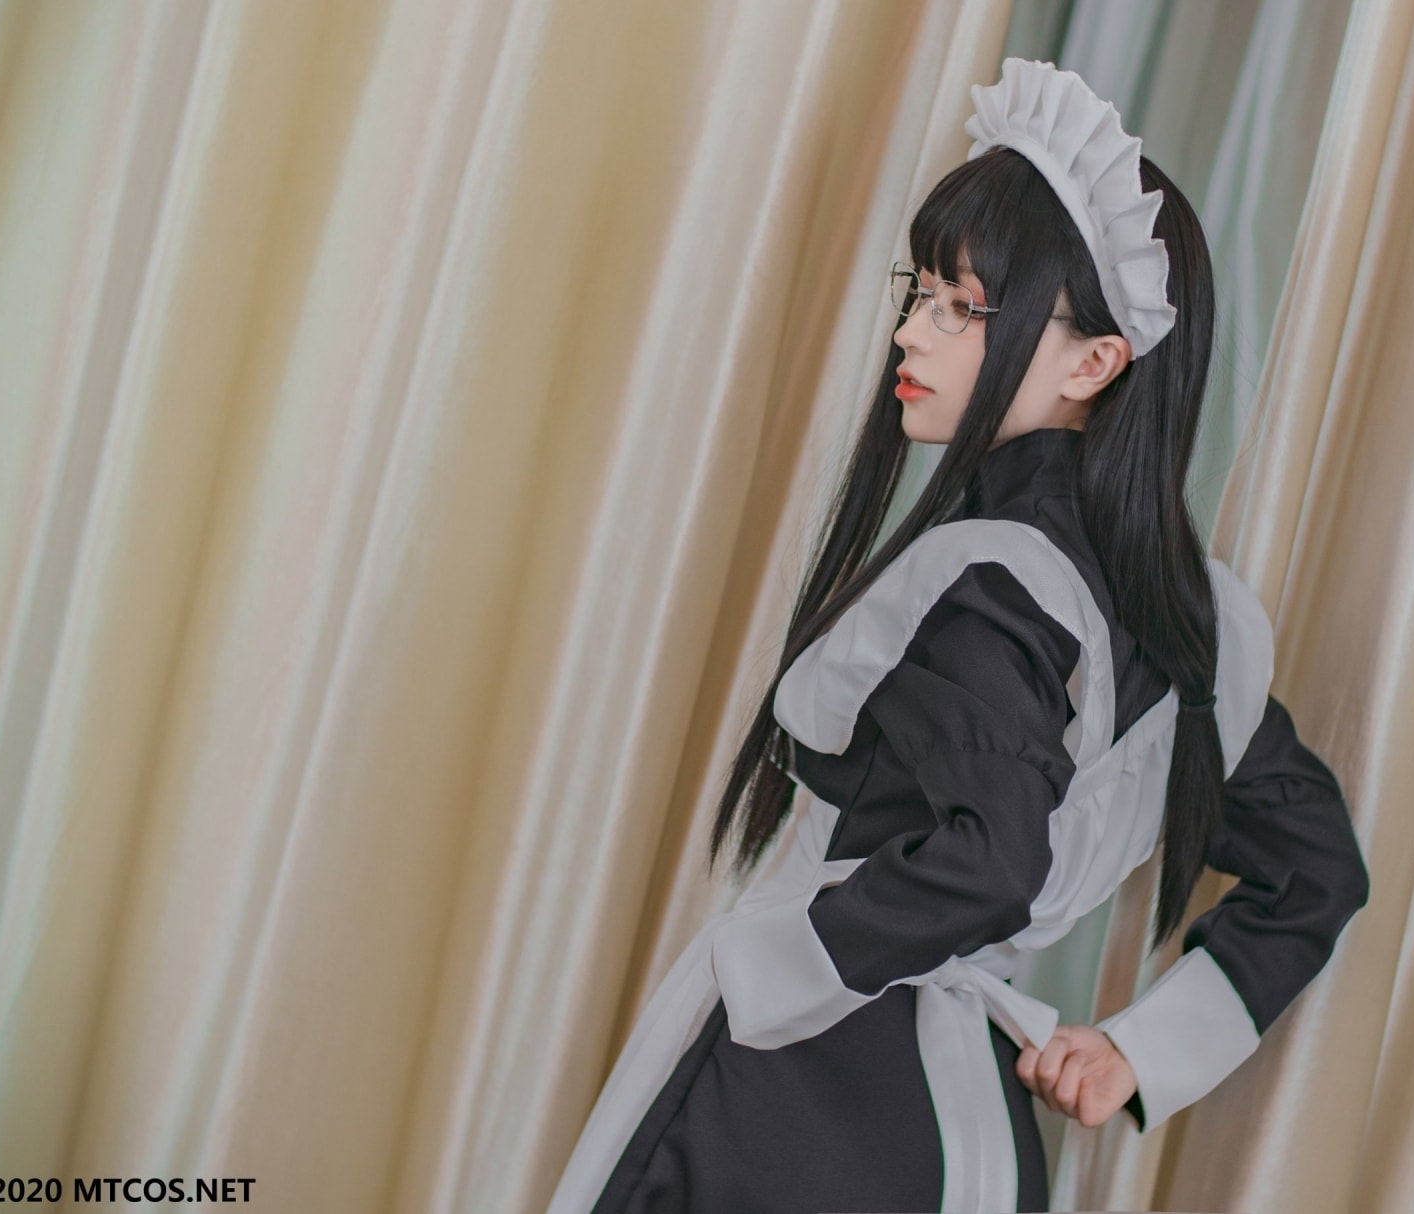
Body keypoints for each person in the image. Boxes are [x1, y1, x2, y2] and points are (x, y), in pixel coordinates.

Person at [546, 58, 1370, 1214]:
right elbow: (1316, 861)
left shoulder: (989, 579)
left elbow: (993, 859)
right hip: (972, 1132)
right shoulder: (1194, 626)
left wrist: (780, 960)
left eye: (960, 307)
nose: (910, 333)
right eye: (920, 291)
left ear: (1094, 361)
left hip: (801, 1100)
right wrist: (1137, 1051)